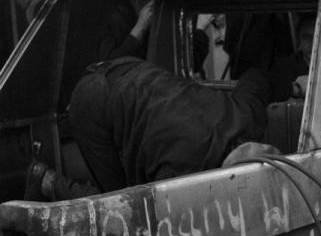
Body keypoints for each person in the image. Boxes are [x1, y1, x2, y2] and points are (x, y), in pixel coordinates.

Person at [23, 58, 273, 199]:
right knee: (118, 202)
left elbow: (257, 75)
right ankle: (46, 181)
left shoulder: (246, 114)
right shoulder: (184, 172)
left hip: (128, 68)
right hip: (94, 101)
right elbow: (149, 214)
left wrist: (295, 87)